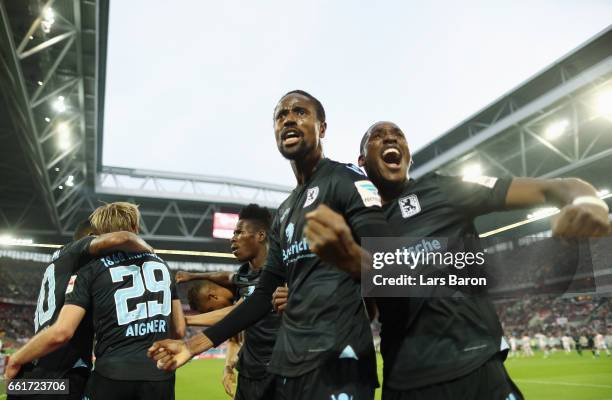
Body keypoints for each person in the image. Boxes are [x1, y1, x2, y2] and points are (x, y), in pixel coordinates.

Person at [293, 120, 609, 399]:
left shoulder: (444, 189)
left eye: (398, 134)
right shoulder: (357, 225)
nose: (391, 138)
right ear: (362, 162)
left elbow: (556, 188)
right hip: (405, 381)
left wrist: (586, 201)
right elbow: (370, 310)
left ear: (407, 155)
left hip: (478, 372)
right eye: (378, 136)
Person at [150, 90, 390, 400]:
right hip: (290, 366)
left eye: (300, 112)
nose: (289, 118)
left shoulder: (348, 181)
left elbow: (390, 264)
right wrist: (193, 345)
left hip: (340, 362)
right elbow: (262, 295)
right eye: (281, 115)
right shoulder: (284, 212)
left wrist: (348, 260)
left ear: (322, 128)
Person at [6, 202, 185, 400]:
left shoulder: (64, 262)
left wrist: (17, 360)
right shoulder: (87, 260)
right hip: (67, 375)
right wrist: (150, 251)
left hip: (31, 371)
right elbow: (178, 331)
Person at [181, 204, 280, 400]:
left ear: (260, 235)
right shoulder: (243, 275)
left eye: (238, 232)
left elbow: (237, 312)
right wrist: (193, 275)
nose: (232, 239)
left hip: (280, 370)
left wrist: (186, 320)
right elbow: (225, 276)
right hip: (249, 372)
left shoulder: (279, 272)